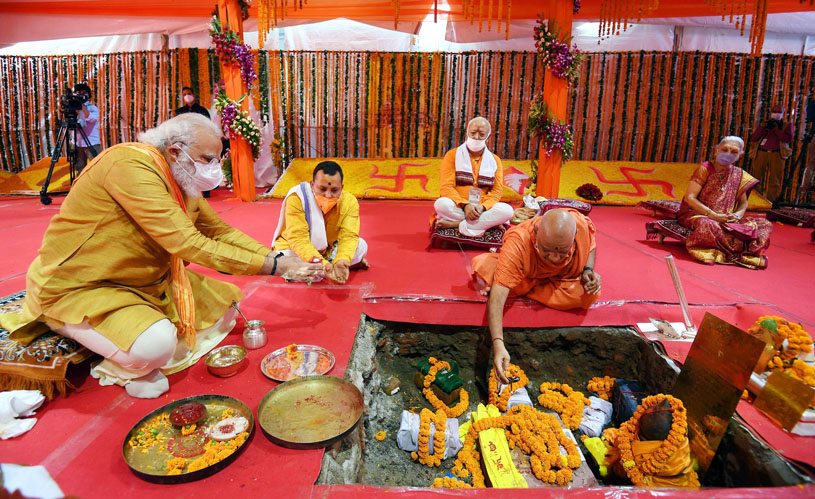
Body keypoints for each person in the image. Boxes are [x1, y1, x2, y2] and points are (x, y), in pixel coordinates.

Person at [0, 114, 322, 398]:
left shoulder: (180, 178)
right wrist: (276, 267)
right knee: (156, 346)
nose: (214, 170)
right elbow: (188, 243)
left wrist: (278, 257)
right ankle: (77, 333)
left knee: (225, 310)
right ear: (175, 151)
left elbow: (218, 231)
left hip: (145, 281)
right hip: (85, 284)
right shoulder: (129, 165)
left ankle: (125, 335)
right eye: (208, 159)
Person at [473, 209, 601, 383]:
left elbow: (590, 244)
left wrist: (587, 270)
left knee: (589, 294)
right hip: (538, 279)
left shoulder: (579, 225)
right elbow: (497, 299)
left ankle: (527, 287)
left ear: (574, 236)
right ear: (537, 232)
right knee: (485, 267)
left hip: (540, 280)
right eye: (547, 250)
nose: (554, 258)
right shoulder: (519, 241)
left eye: (562, 251)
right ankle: (526, 284)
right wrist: (498, 343)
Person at [678, 136, 772, 269]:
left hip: (727, 219)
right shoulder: (705, 168)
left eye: (734, 152)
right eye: (725, 149)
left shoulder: (740, 174)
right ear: (717, 150)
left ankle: (743, 253)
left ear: (740, 155)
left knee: (764, 225)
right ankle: (731, 253)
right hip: (700, 214)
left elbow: (743, 203)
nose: (728, 154)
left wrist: (737, 217)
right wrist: (713, 215)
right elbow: (690, 198)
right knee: (708, 224)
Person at [272, 161, 369, 285]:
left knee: (361, 245)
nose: (328, 195)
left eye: (334, 190)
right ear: (312, 184)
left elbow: (349, 236)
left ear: (342, 188)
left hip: (328, 250)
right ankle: (329, 268)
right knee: (284, 260)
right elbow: (298, 240)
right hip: (295, 249)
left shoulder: (349, 202)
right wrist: (324, 265)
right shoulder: (298, 198)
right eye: (322, 189)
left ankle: (333, 266)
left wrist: (342, 260)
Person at [434, 117, 514, 237]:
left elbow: (496, 191)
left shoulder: (495, 160)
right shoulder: (452, 155)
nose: (476, 137)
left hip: (482, 210)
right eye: (473, 133)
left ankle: (456, 224)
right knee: (441, 204)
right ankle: (486, 224)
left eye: (481, 134)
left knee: (507, 211)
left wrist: (482, 207)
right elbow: (446, 187)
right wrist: (465, 205)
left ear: (489, 137)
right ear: (467, 132)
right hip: (459, 206)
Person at [750, 104, 793, 205]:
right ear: (771, 113)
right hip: (761, 152)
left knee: (775, 179)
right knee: (756, 177)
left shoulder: (787, 125)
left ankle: (771, 202)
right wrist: (762, 127)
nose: (776, 114)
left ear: (783, 113)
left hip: (777, 154)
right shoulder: (765, 124)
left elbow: (787, 139)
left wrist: (776, 130)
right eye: (774, 112)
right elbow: (754, 138)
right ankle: (757, 200)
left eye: (779, 112)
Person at [72, 83, 101, 173]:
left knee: (97, 168)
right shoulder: (73, 108)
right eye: (78, 92)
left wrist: (81, 106)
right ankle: (79, 185)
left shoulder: (93, 108)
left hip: (91, 143)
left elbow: (90, 118)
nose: (81, 94)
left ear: (88, 95)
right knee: (80, 169)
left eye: (83, 93)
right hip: (78, 143)